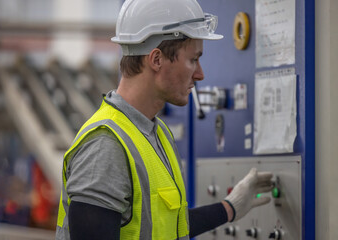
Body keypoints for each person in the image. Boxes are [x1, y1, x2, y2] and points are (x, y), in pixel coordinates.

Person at [55, 0, 273, 239]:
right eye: (193, 59)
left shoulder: (156, 133)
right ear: (157, 59)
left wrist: (231, 207)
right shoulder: (106, 146)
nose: (200, 74)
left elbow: (167, 226)